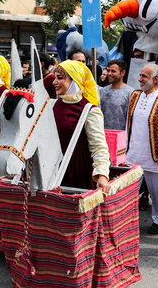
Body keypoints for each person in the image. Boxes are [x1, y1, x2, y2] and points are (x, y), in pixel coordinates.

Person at [127, 64, 158, 234]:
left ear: (156, 79)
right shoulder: (134, 96)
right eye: (140, 75)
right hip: (133, 155)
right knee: (128, 193)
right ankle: (126, 222)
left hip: (155, 157)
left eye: (144, 76)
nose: (140, 79)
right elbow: (127, 126)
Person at [51, 60, 110, 190]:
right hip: (51, 172)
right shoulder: (52, 105)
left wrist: (102, 175)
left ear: (75, 80)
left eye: (60, 78)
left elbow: (98, 146)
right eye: (55, 78)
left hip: (77, 173)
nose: (54, 82)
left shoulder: (89, 110)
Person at [99, 59, 133, 131]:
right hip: (102, 136)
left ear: (123, 73)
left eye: (113, 71)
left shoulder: (130, 93)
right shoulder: (102, 91)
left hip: (121, 137)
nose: (109, 74)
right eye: (108, 71)